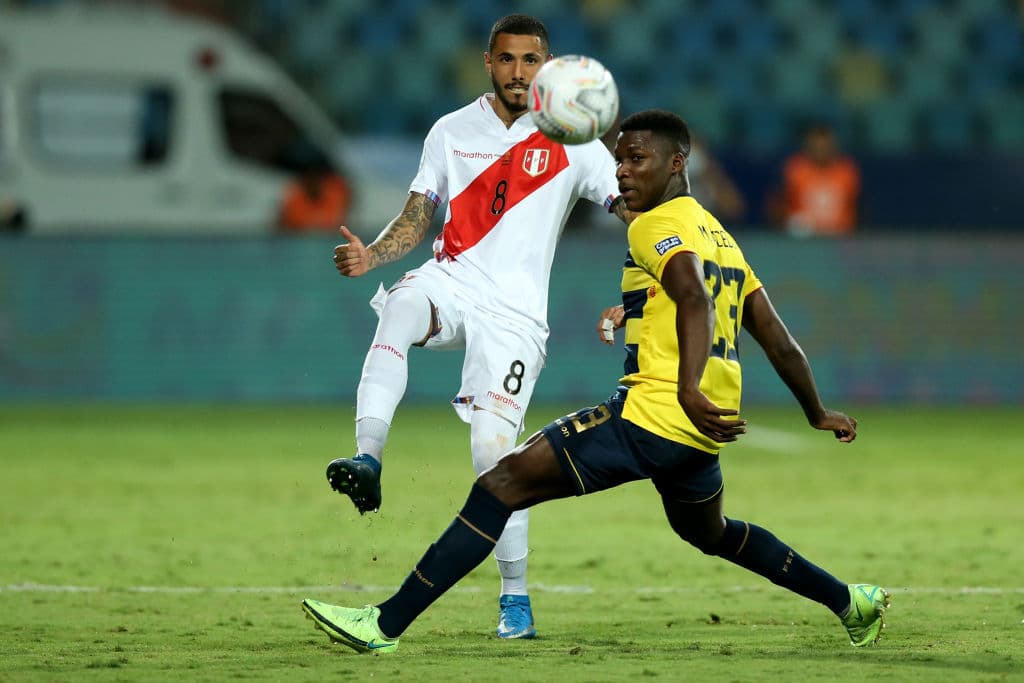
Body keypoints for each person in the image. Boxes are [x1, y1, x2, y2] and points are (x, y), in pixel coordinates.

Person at [302, 110, 889, 654]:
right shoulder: (717, 235)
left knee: (499, 484)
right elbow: (774, 335)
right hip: (697, 436)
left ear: (676, 164)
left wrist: (686, 387)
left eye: (638, 160)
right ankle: (849, 601)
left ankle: (383, 625)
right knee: (711, 532)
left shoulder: (651, 227)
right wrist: (816, 411)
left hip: (652, 416)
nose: (623, 172)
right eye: (619, 160)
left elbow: (691, 297)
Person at [326, 14, 630, 640]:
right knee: (402, 308)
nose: (520, 72)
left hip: (517, 318)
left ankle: (514, 599)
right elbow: (418, 213)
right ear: (488, 62)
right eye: (508, 59)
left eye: (532, 60)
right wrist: (374, 256)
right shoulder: (450, 131)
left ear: (547, 67)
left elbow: (630, 209)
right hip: (454, 280)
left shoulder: (574, 135)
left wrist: (662, 264)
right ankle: (368, 459)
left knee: (495, 453)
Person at [770, 122, 861, 236]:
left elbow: (859, 208)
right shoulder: (795, 170)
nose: (820, 150)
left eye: (824, 145)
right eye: (816, 145)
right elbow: (777, 205)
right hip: (802, 239)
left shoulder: (847, 172)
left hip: (841, 238)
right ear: (808, 145)